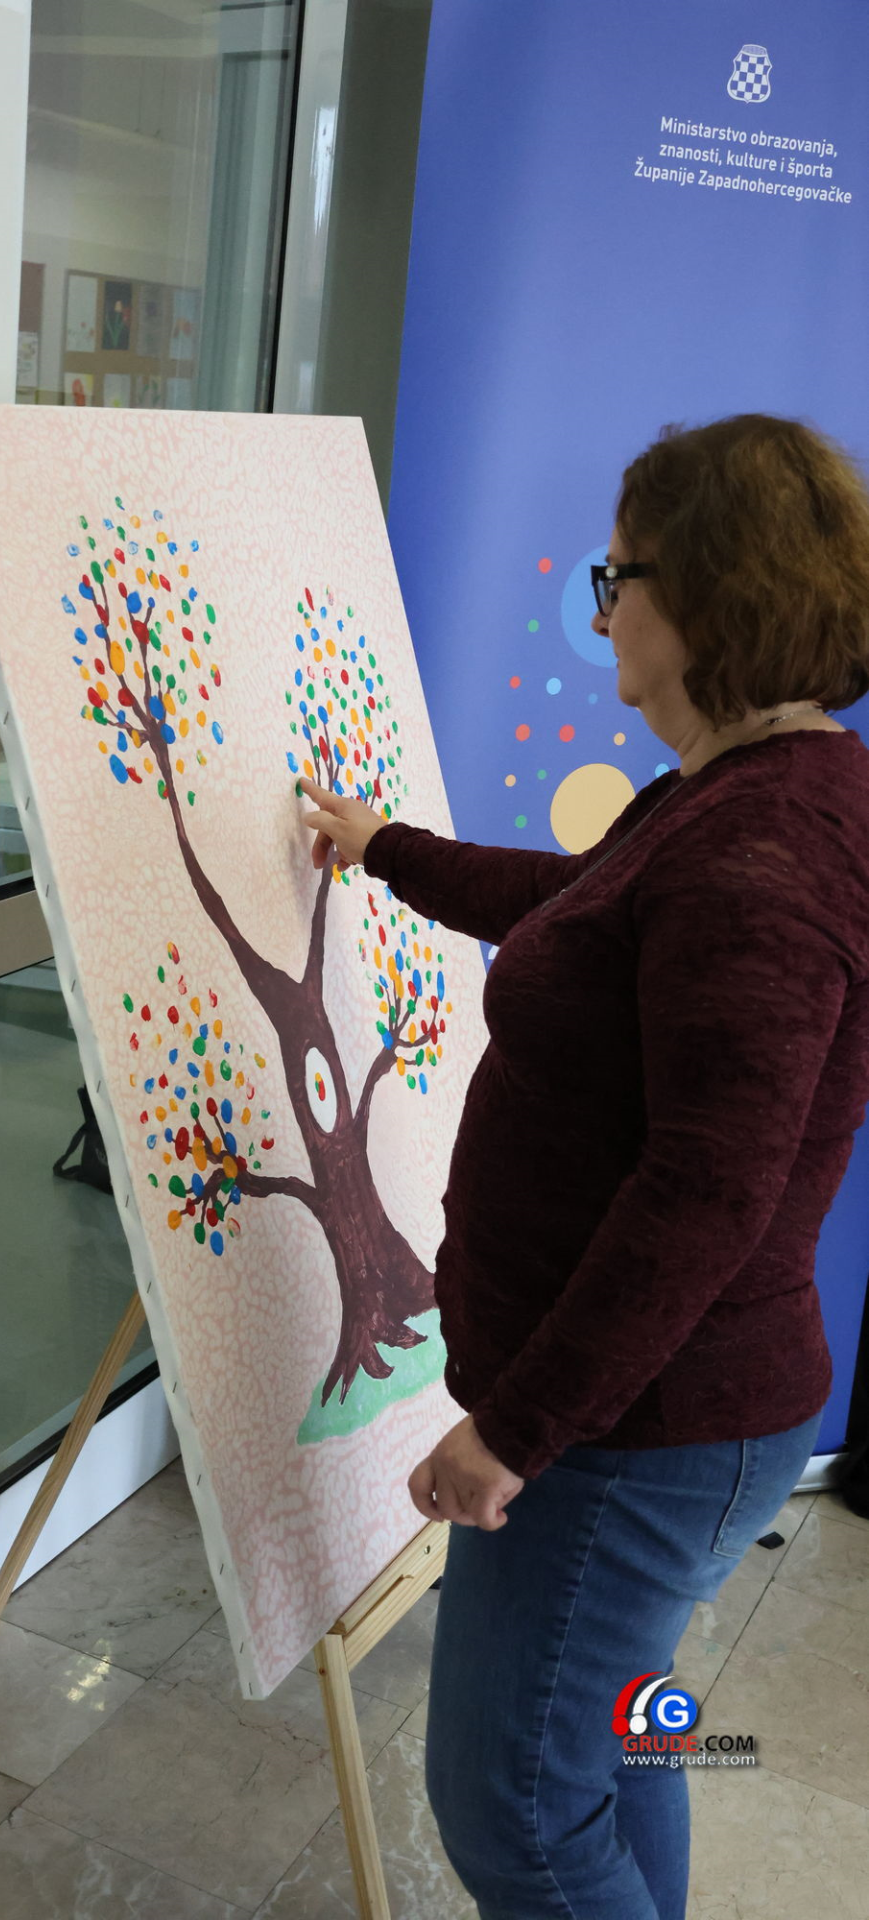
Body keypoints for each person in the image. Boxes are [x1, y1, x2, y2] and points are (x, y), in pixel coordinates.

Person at [298, 413, 869, 1920]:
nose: (600, 610)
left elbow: (706, 1193)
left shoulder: (758, 854)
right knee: (620, 1740)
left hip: (633, 1436)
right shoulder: (750, 795)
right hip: (663, 1417)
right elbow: (583, 906)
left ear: (714, 595)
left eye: (619, 577)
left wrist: (515, 1433)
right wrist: (387, 846)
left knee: (517, 1817)